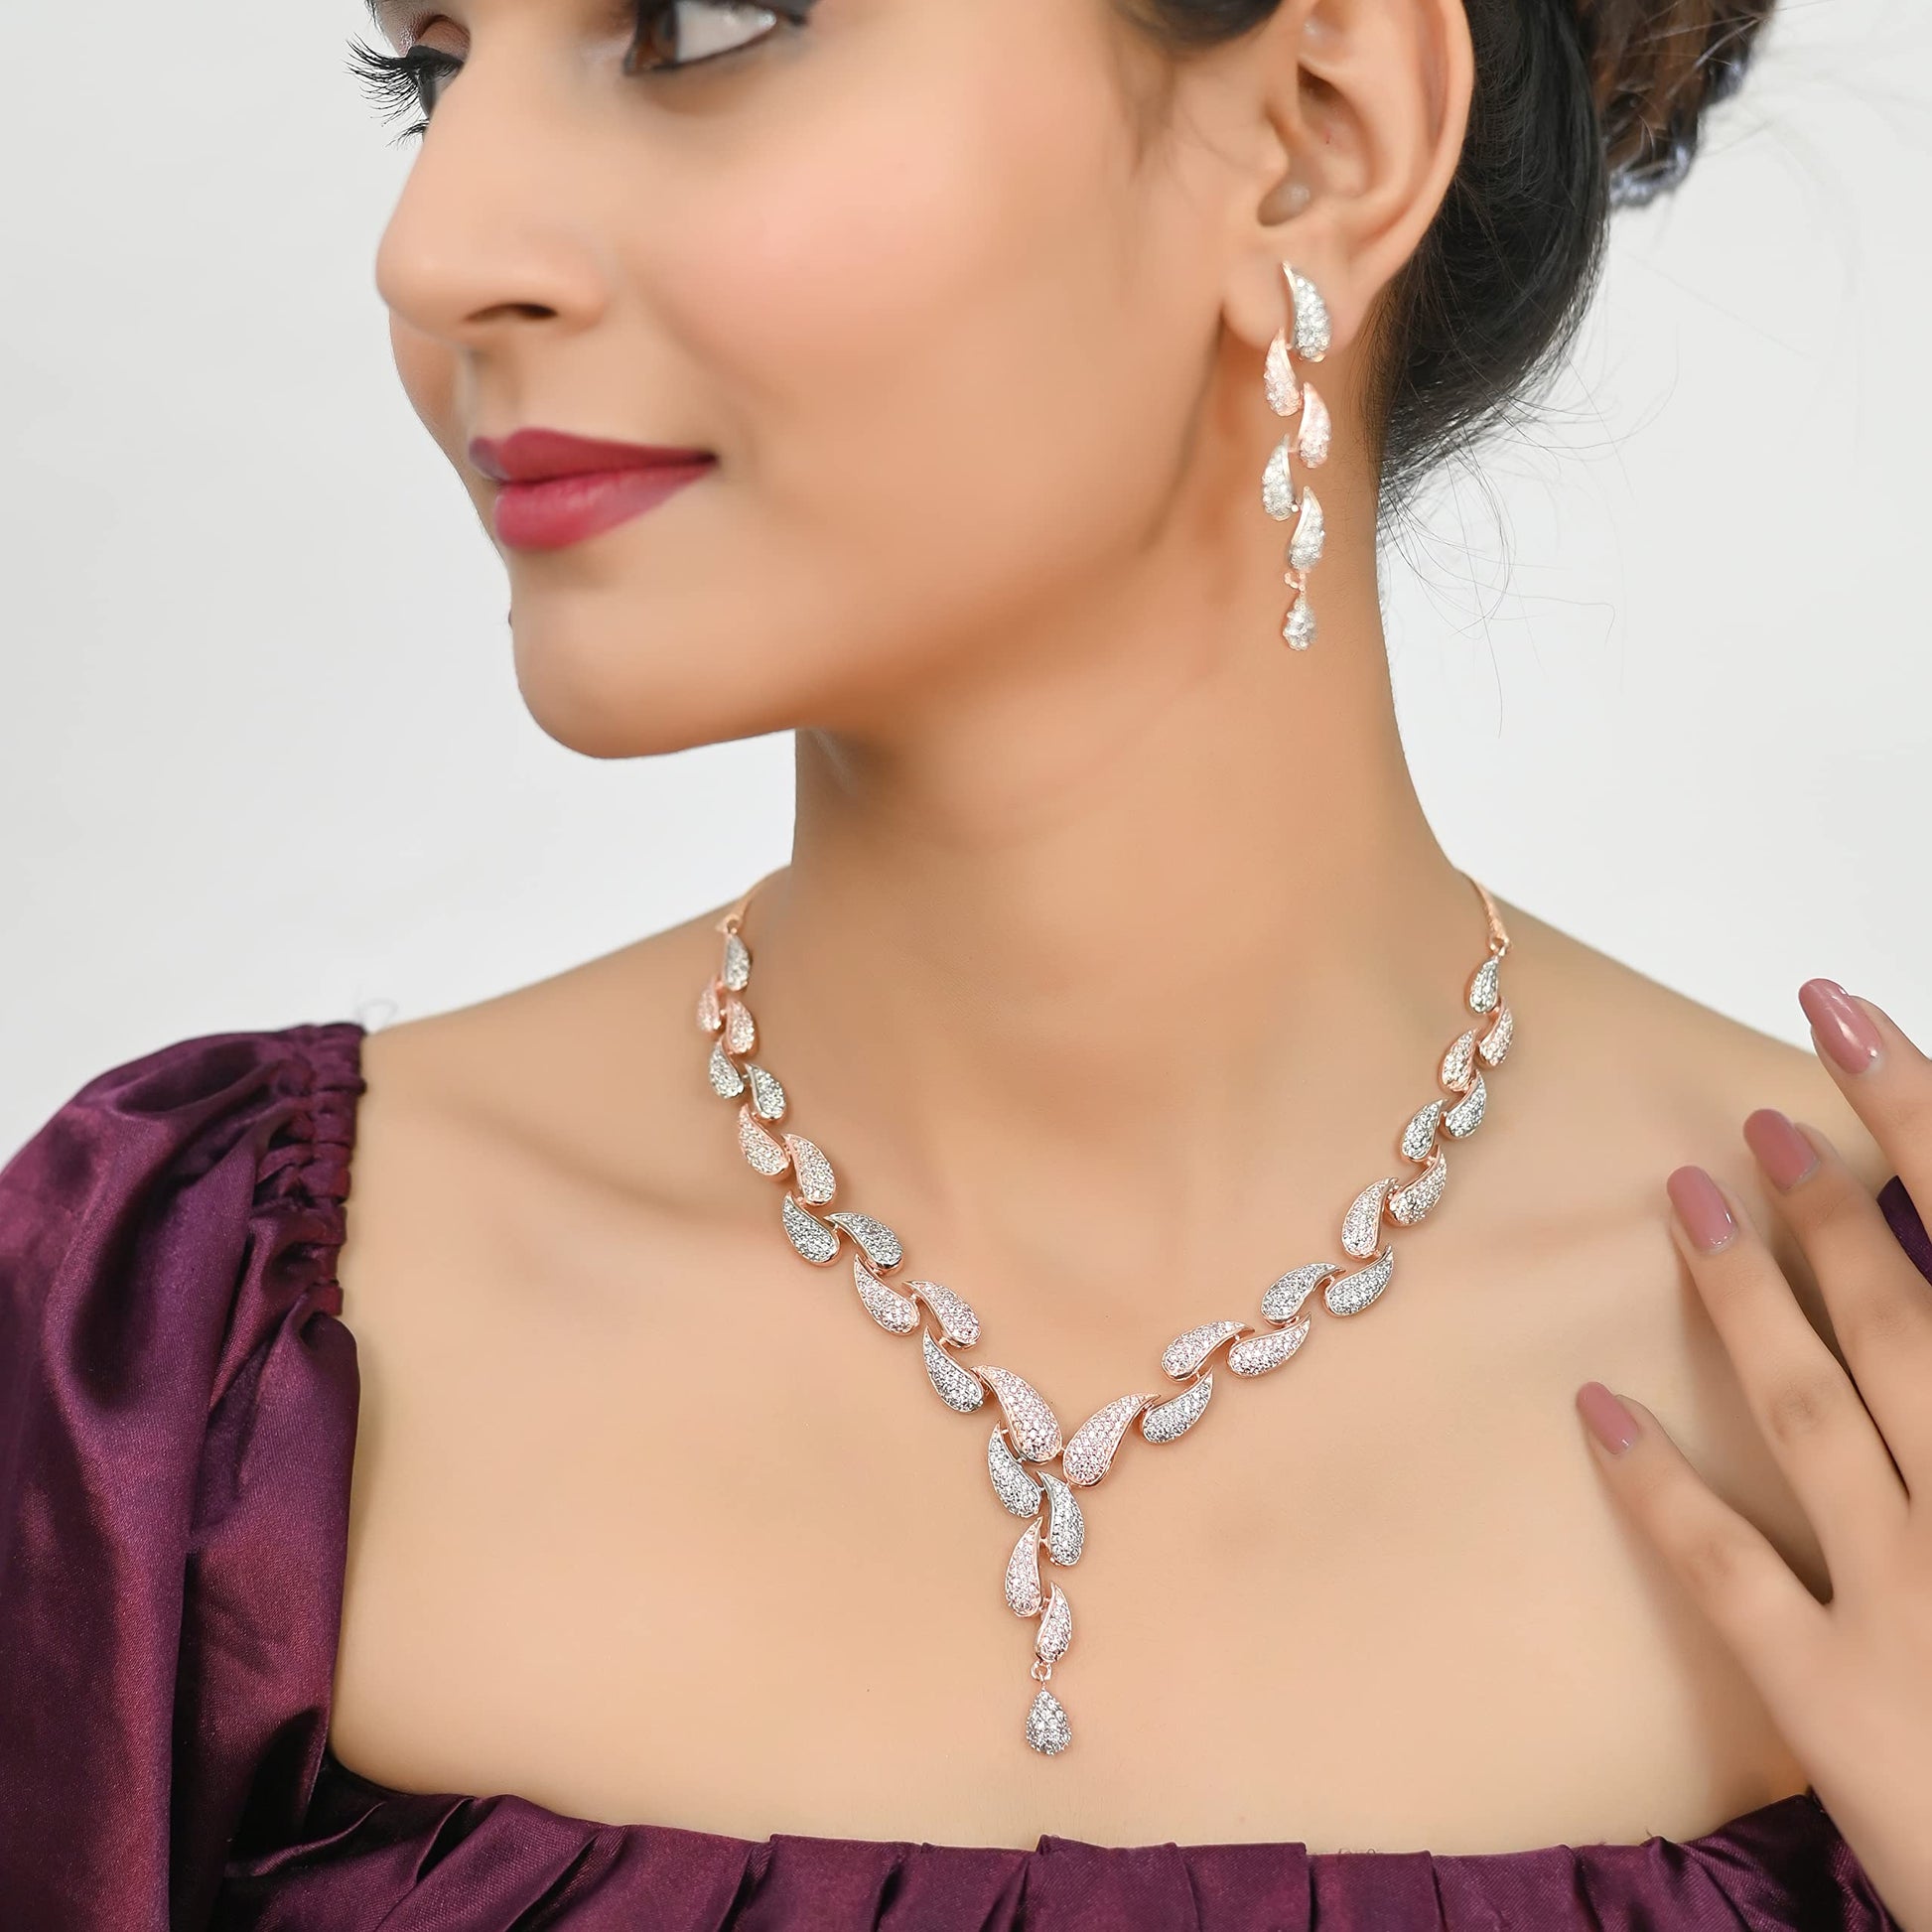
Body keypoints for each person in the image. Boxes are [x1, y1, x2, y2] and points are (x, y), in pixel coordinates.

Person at [2, 0, 1928, 1925]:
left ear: (1312, 136)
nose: (433, 250)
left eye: (694, 25)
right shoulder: (166, 1358)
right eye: (433, 68)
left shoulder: (1885, 1380)